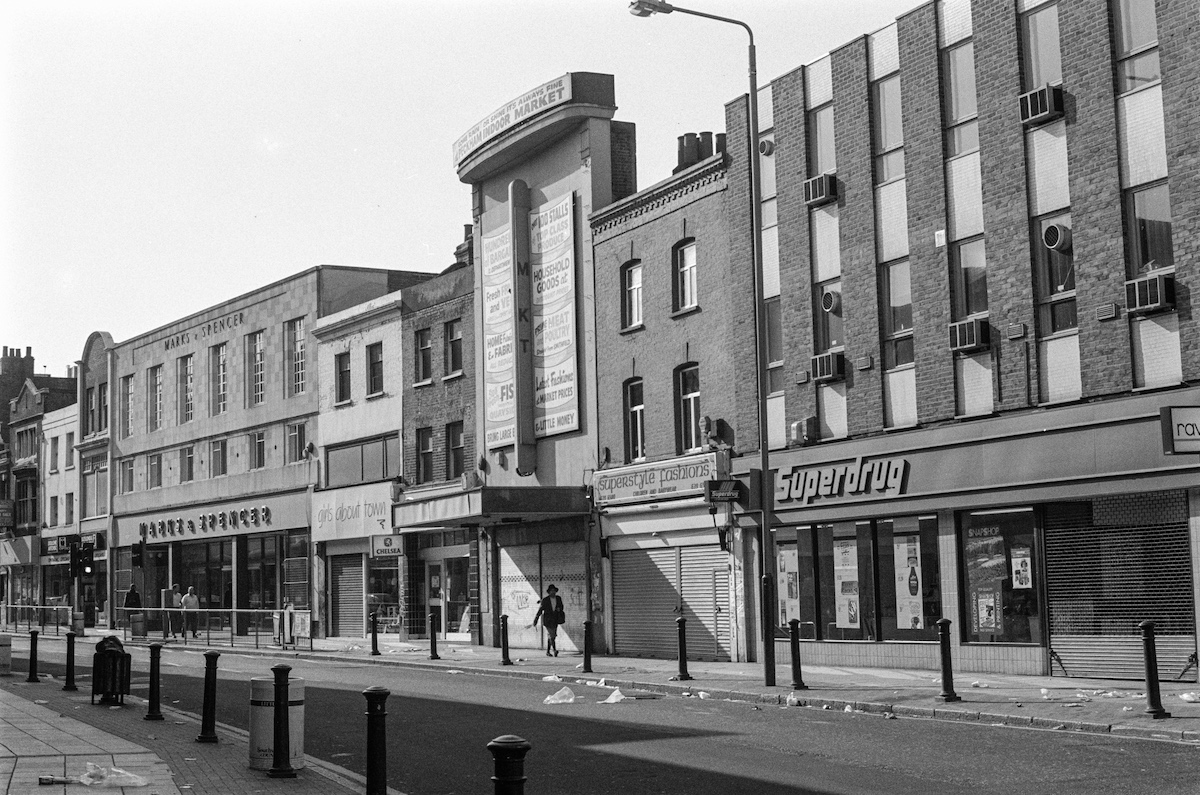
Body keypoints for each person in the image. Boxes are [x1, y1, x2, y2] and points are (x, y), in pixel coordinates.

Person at [530, 584, 564, 657]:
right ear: (549, 592)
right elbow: (540, 610)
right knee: (551, 635)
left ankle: (548, 651)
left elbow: (561, 606)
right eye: (551, 591)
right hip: (548, 620)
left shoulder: (558, 598)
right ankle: (555, 650)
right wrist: (535, 620)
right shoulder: (545, 600)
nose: (553, 592)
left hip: (555, 620)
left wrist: (559, 609)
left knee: (552, 636)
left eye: (554, 591)